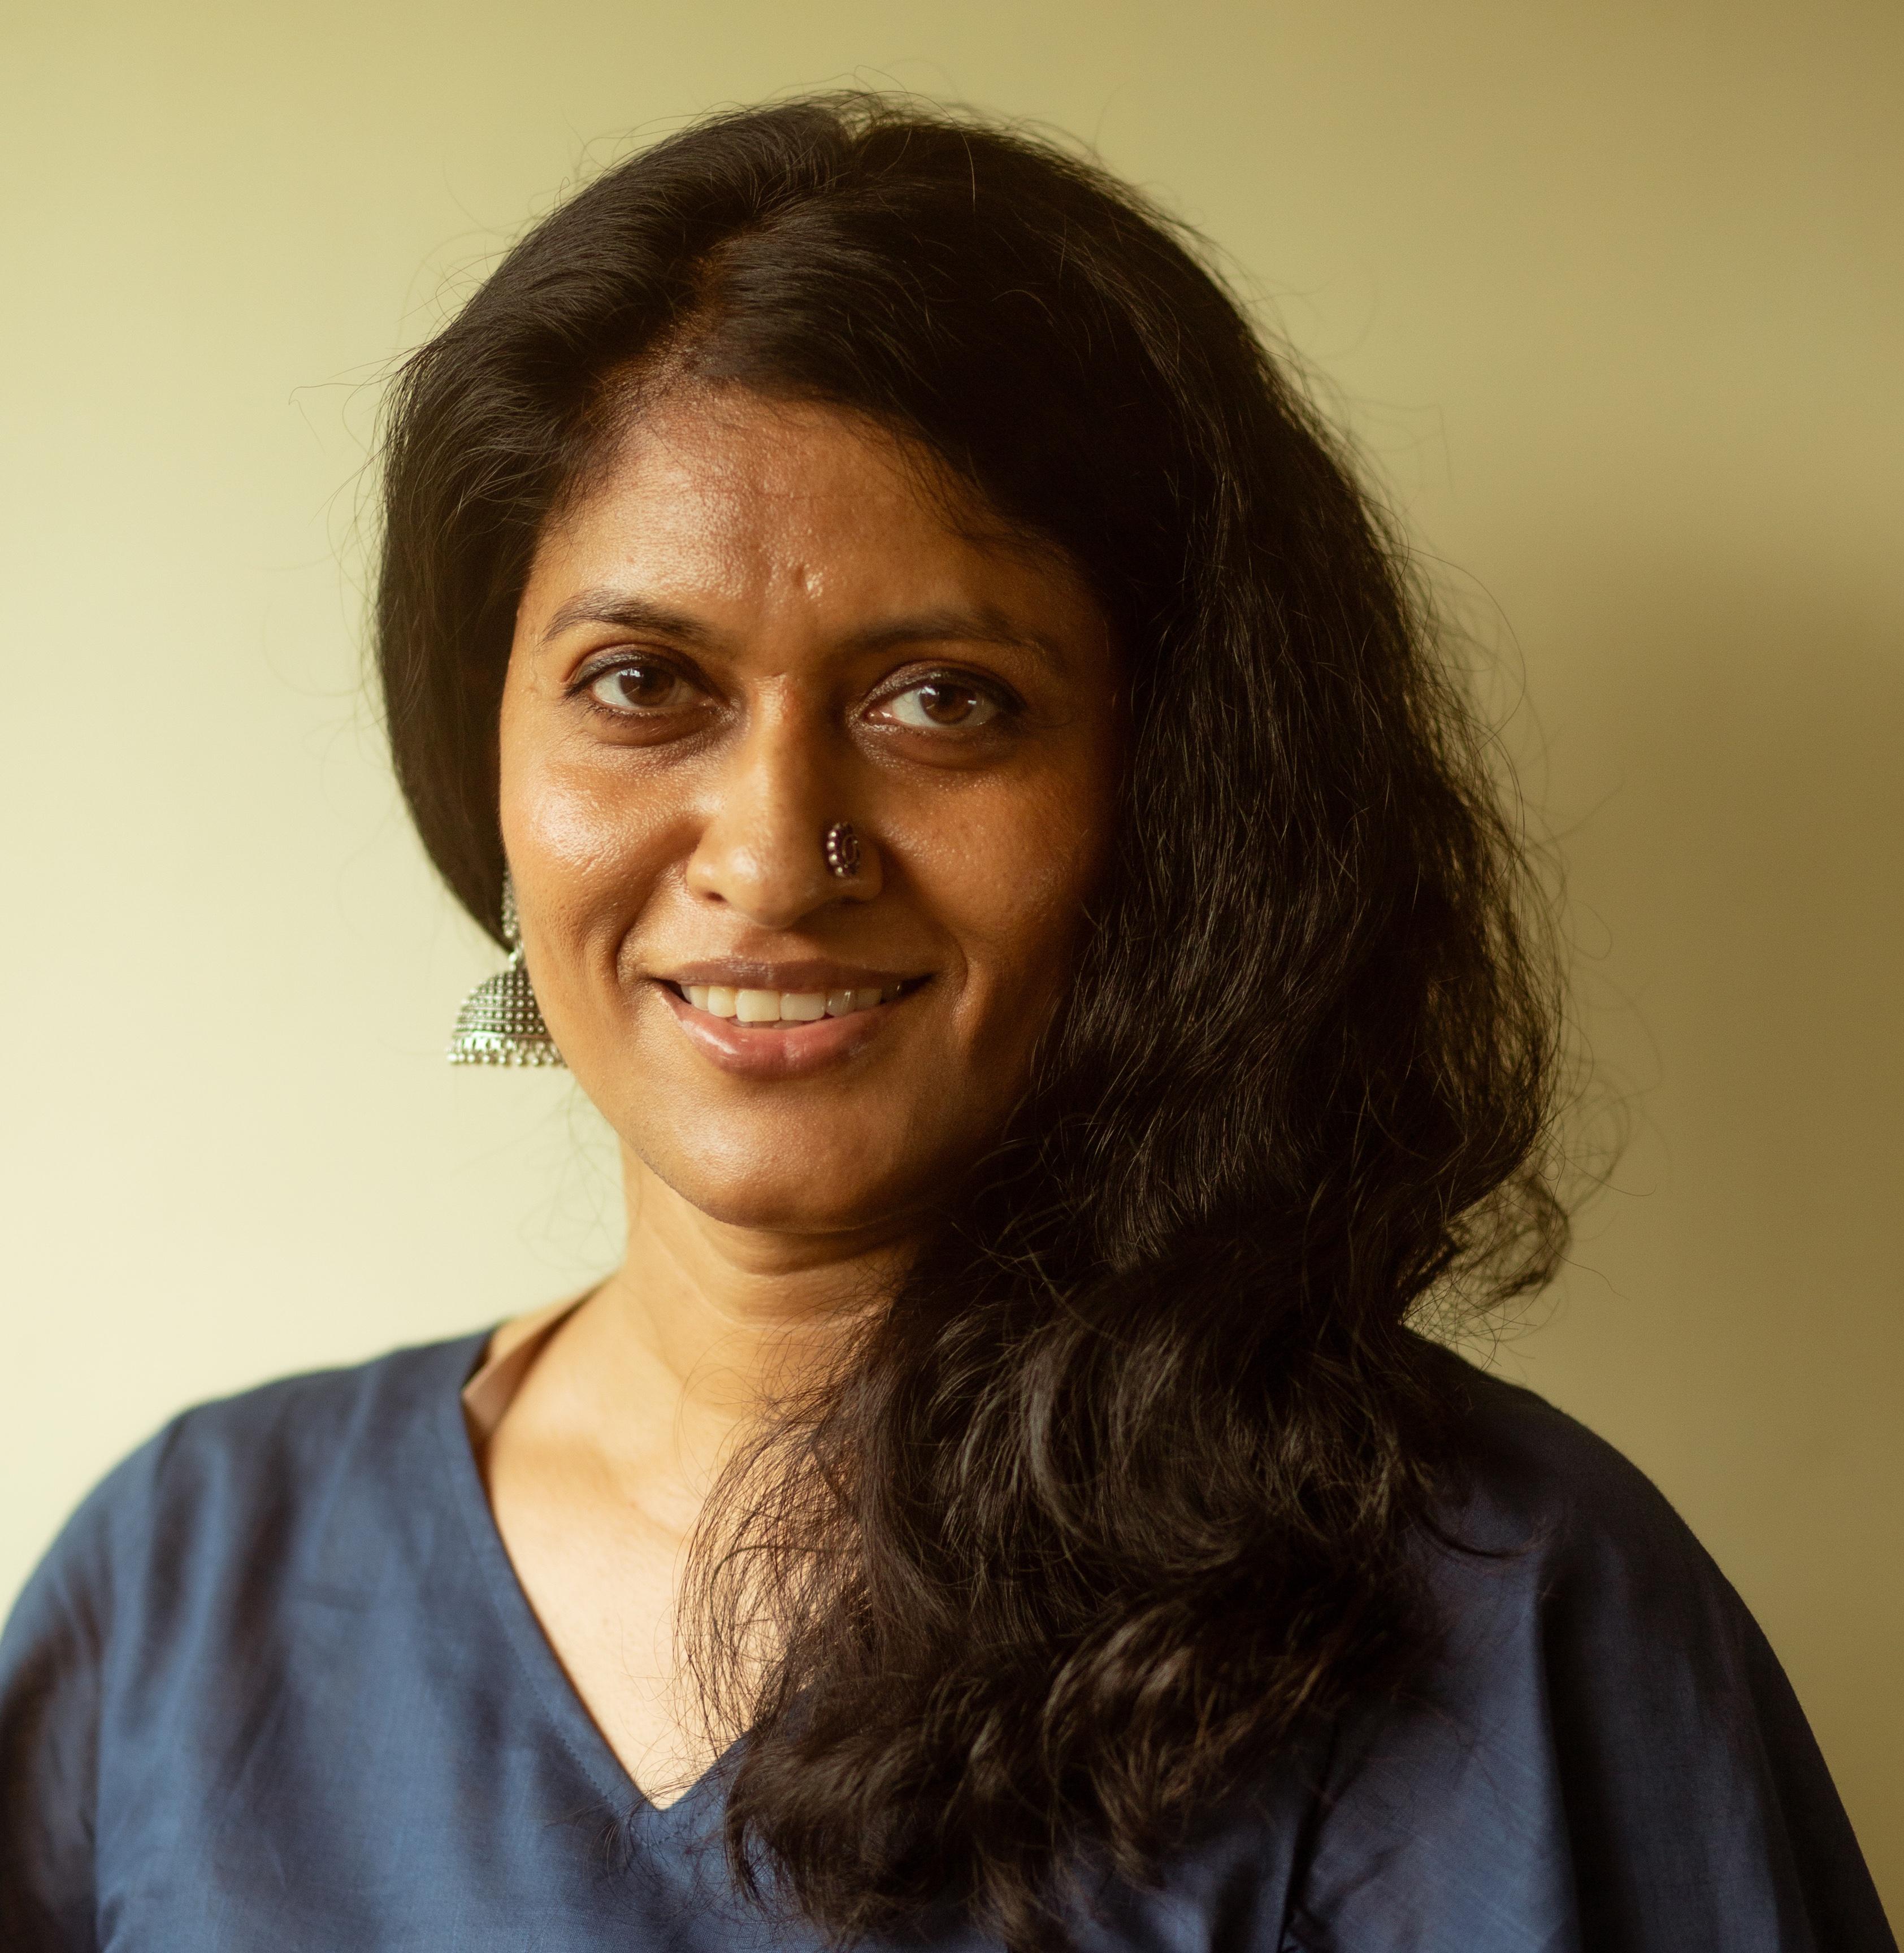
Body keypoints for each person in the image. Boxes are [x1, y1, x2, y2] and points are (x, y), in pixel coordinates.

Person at [0, 94, 1890, 1953]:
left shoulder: (1491, 1611)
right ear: (481, 758)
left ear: (1171, 793)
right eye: (641, 682)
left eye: (941, 700)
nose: (773, 858)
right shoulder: (183, 1587)